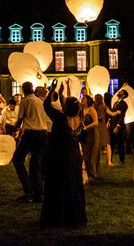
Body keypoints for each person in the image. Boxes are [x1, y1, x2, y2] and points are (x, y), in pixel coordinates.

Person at [40, 80, 87, 227]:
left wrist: (52, 90)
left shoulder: (60, 119)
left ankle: (58, 216)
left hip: (59, 156)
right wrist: (61, 93)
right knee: (74, 185)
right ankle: (75, 215)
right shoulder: (80, 119)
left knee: (58, 186)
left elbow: (46, 105)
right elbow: (68, 104)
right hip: (74, 157)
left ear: (65, 108)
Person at [12, 82, 49, 203]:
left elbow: (20, 119)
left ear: (23, 90)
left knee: (17, 159)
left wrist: (14, 129)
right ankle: (38, 193)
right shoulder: (40, 101)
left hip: (31, 133)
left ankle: (28, 189)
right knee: (35, 164)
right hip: (42, 133)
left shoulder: (25, 101)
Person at [93, 93, 119, 167]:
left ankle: (95, 161)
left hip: (96, 126)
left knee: (96, 144)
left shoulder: (94, 107)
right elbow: (111, 114)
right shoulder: (104, 107)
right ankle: (109, 161)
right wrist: (117, 112)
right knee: (107, 144)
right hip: (103, 127)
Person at [79, 94, 100, 181]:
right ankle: (88, 174)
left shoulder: (92, 110)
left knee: (91, 154)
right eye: (81, 98)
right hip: (84, 134)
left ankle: (92, 174)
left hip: (92, 134)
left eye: (83, 98)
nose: (82, 99)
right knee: (85, 154)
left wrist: (86, 127)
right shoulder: (82, 110)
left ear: (88, 100)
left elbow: (96, 122)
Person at [108, 88, 128, 165]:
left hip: (119, 126)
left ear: (123, 95)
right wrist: (109, 120)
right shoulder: (115, 103)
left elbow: (122, 116)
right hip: (112, 125)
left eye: (121, 92)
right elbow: (112, 112)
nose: (119, 92)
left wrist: (118, 126)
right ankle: (110, 160)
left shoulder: (124, 104)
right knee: (111, 143)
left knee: (120, 143)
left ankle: (122, 160)